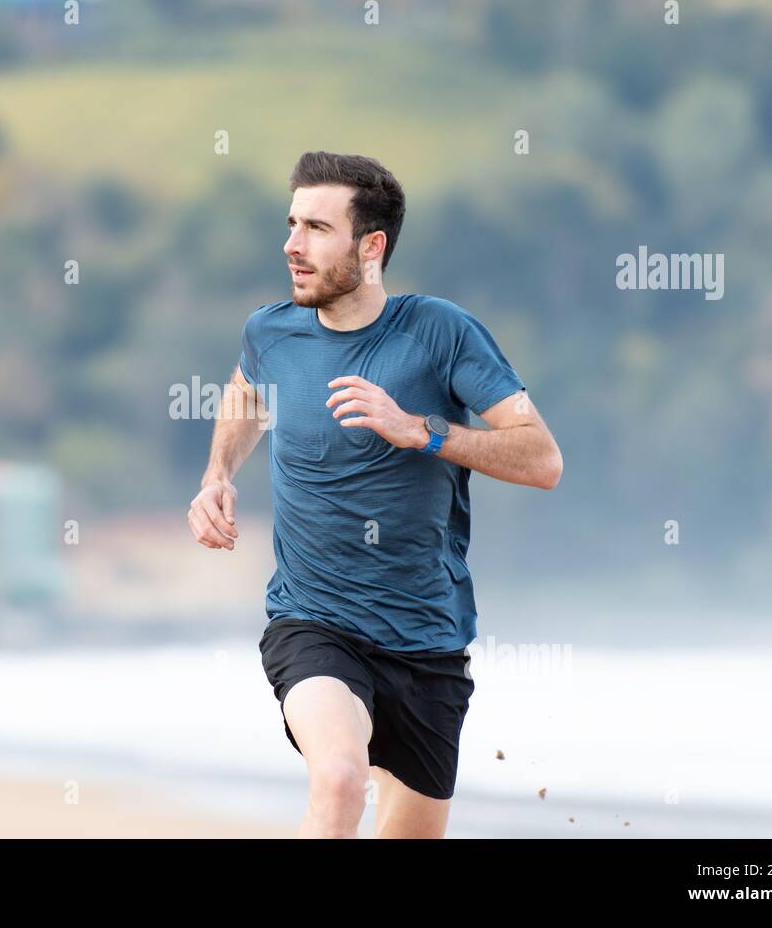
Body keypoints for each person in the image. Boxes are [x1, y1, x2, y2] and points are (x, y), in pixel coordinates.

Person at [188, 151, 563, 838]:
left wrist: (419, 430)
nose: (292, 245)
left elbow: (541, 459)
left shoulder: (440, 333)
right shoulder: (270, 332)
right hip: (315, 624)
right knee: (338, 779)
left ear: (371, 247)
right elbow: (246, 391)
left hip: (428, 644)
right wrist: (217, 476)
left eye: (316, 229)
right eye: (292, 223)